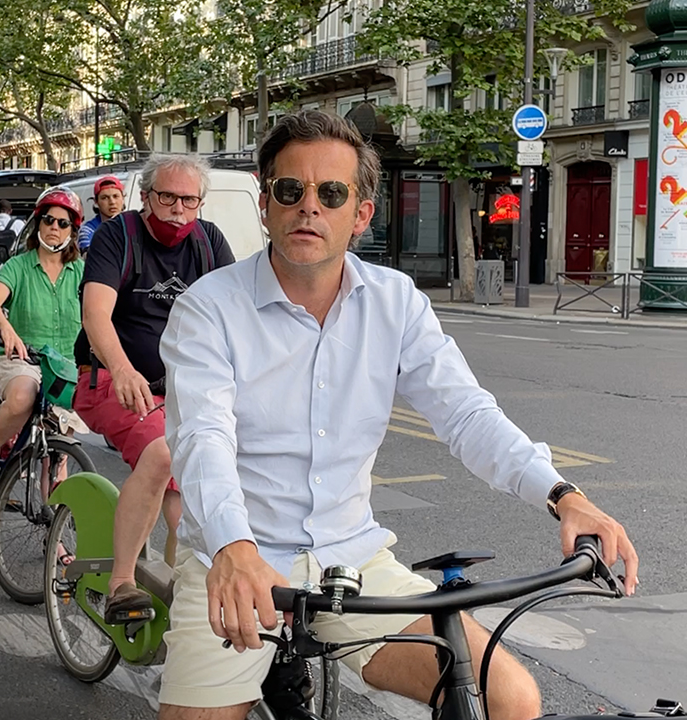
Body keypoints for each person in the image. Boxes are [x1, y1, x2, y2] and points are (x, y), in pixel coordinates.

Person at [155, 111, 640, 720]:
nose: (310, 207)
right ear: (265, 202)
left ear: (360, 215)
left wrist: (564, 494)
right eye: (290, 190)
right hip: (238, 561)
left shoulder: (396, 301)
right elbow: (203, 437)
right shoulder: (208, 308)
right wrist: (232, 546)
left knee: (509, 699)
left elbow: (465, 412)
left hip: (350, 562)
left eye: (331, 193)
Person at [72, 153, 235, 623]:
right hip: (110, 380)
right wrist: (122, 368)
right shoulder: (116, 235)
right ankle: (121, 581)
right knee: (166, 453)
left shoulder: (209, 242)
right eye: (168, 197)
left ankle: (180, 587)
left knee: (202, 476)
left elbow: (239, 315)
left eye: (189, 200)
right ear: (146, 196)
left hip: (185, 388)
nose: (178, 209)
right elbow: (95, 314)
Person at [0, 188, 86, 492]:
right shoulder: (18, 265)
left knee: (60, 453)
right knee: (22, 398)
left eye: (63, 223)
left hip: (67, 369)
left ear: (73, 231)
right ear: (38, 223)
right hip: (25, 360)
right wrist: (7, 330)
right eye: (49, 220)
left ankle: (53, 532)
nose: (55, 228)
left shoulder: (82, 272)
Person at [78, 175, 125, 254]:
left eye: (116, 196)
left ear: (123, 198)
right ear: (96, 202)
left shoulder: (133, 225)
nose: (112, 202)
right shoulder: (88, 230)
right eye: (105, 198)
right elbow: (89, 257)